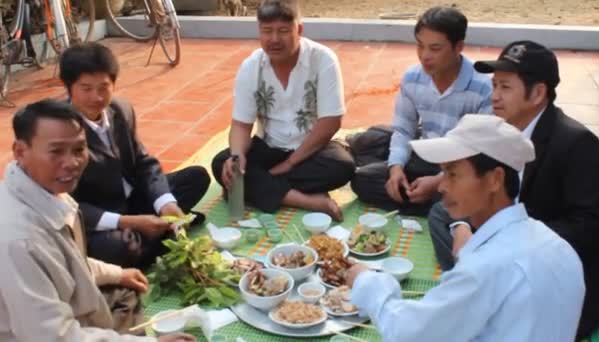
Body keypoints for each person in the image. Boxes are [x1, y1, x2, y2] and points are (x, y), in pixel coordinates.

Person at [346, 114, 585, 342]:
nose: (442, 186)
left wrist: (368, 283)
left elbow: (408, 332)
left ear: (495, 179)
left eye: (453, 174)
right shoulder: (559, 247)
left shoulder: (482, 269)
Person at [427, 40, 599, 339]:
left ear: (537, 93)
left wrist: (506, 242)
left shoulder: (576, 144)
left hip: (547, 267)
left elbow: (592, 227)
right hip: (508, 242)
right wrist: (462, 226)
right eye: (494, 85)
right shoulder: (502, 131)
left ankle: (481, 290)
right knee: (441, 213)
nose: (494, 97)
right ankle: (478, 282)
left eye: (505, 88)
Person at [0, 99, 195, 341]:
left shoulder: (48, 192)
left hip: (69, 312)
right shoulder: (18, 240)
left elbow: (71, 262)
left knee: (125, 289)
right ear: (20, 151)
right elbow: (53, 337)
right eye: (56, 151)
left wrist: (117, 274)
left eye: (79, 150)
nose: (72, 163)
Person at [60, 42, 210, 269]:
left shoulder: (120, 110)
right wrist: (130, 222)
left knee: (196, 177)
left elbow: (144, 163)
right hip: (99, 217)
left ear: (114, 83)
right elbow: (68, 204)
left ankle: (157, 232)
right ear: (69, 87)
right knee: (118, 248)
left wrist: (165, 204)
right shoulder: (59, 128)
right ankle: (158, 237)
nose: (97, 97)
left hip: (134, 200)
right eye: (86, 88)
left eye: (104, 87)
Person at [211, 0, 355, 221]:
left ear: (299, 29)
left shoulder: (323, 59)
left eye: (283, 31)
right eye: (267, 31)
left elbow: (330, 122)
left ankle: (259, 190)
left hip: (311, 149)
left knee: (342, 166)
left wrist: (289, 164)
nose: (274, 39)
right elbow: (241, 124)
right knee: (223, 165)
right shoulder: (251, 67)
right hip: (269, 147)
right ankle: (308, 200)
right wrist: (237, 158)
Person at [350, 6, 493, 216]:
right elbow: (403, 130)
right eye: (420, 46)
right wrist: (396, 168)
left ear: (458, 47)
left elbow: (479, 152)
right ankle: (439, 205)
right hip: (426, 153)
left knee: (475, 192)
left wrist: (439, 182)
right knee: (362, 179)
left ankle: (439, 204)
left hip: (462, 166)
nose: (424, 56)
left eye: (435, 49)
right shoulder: (413, 78)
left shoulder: (483, 88)